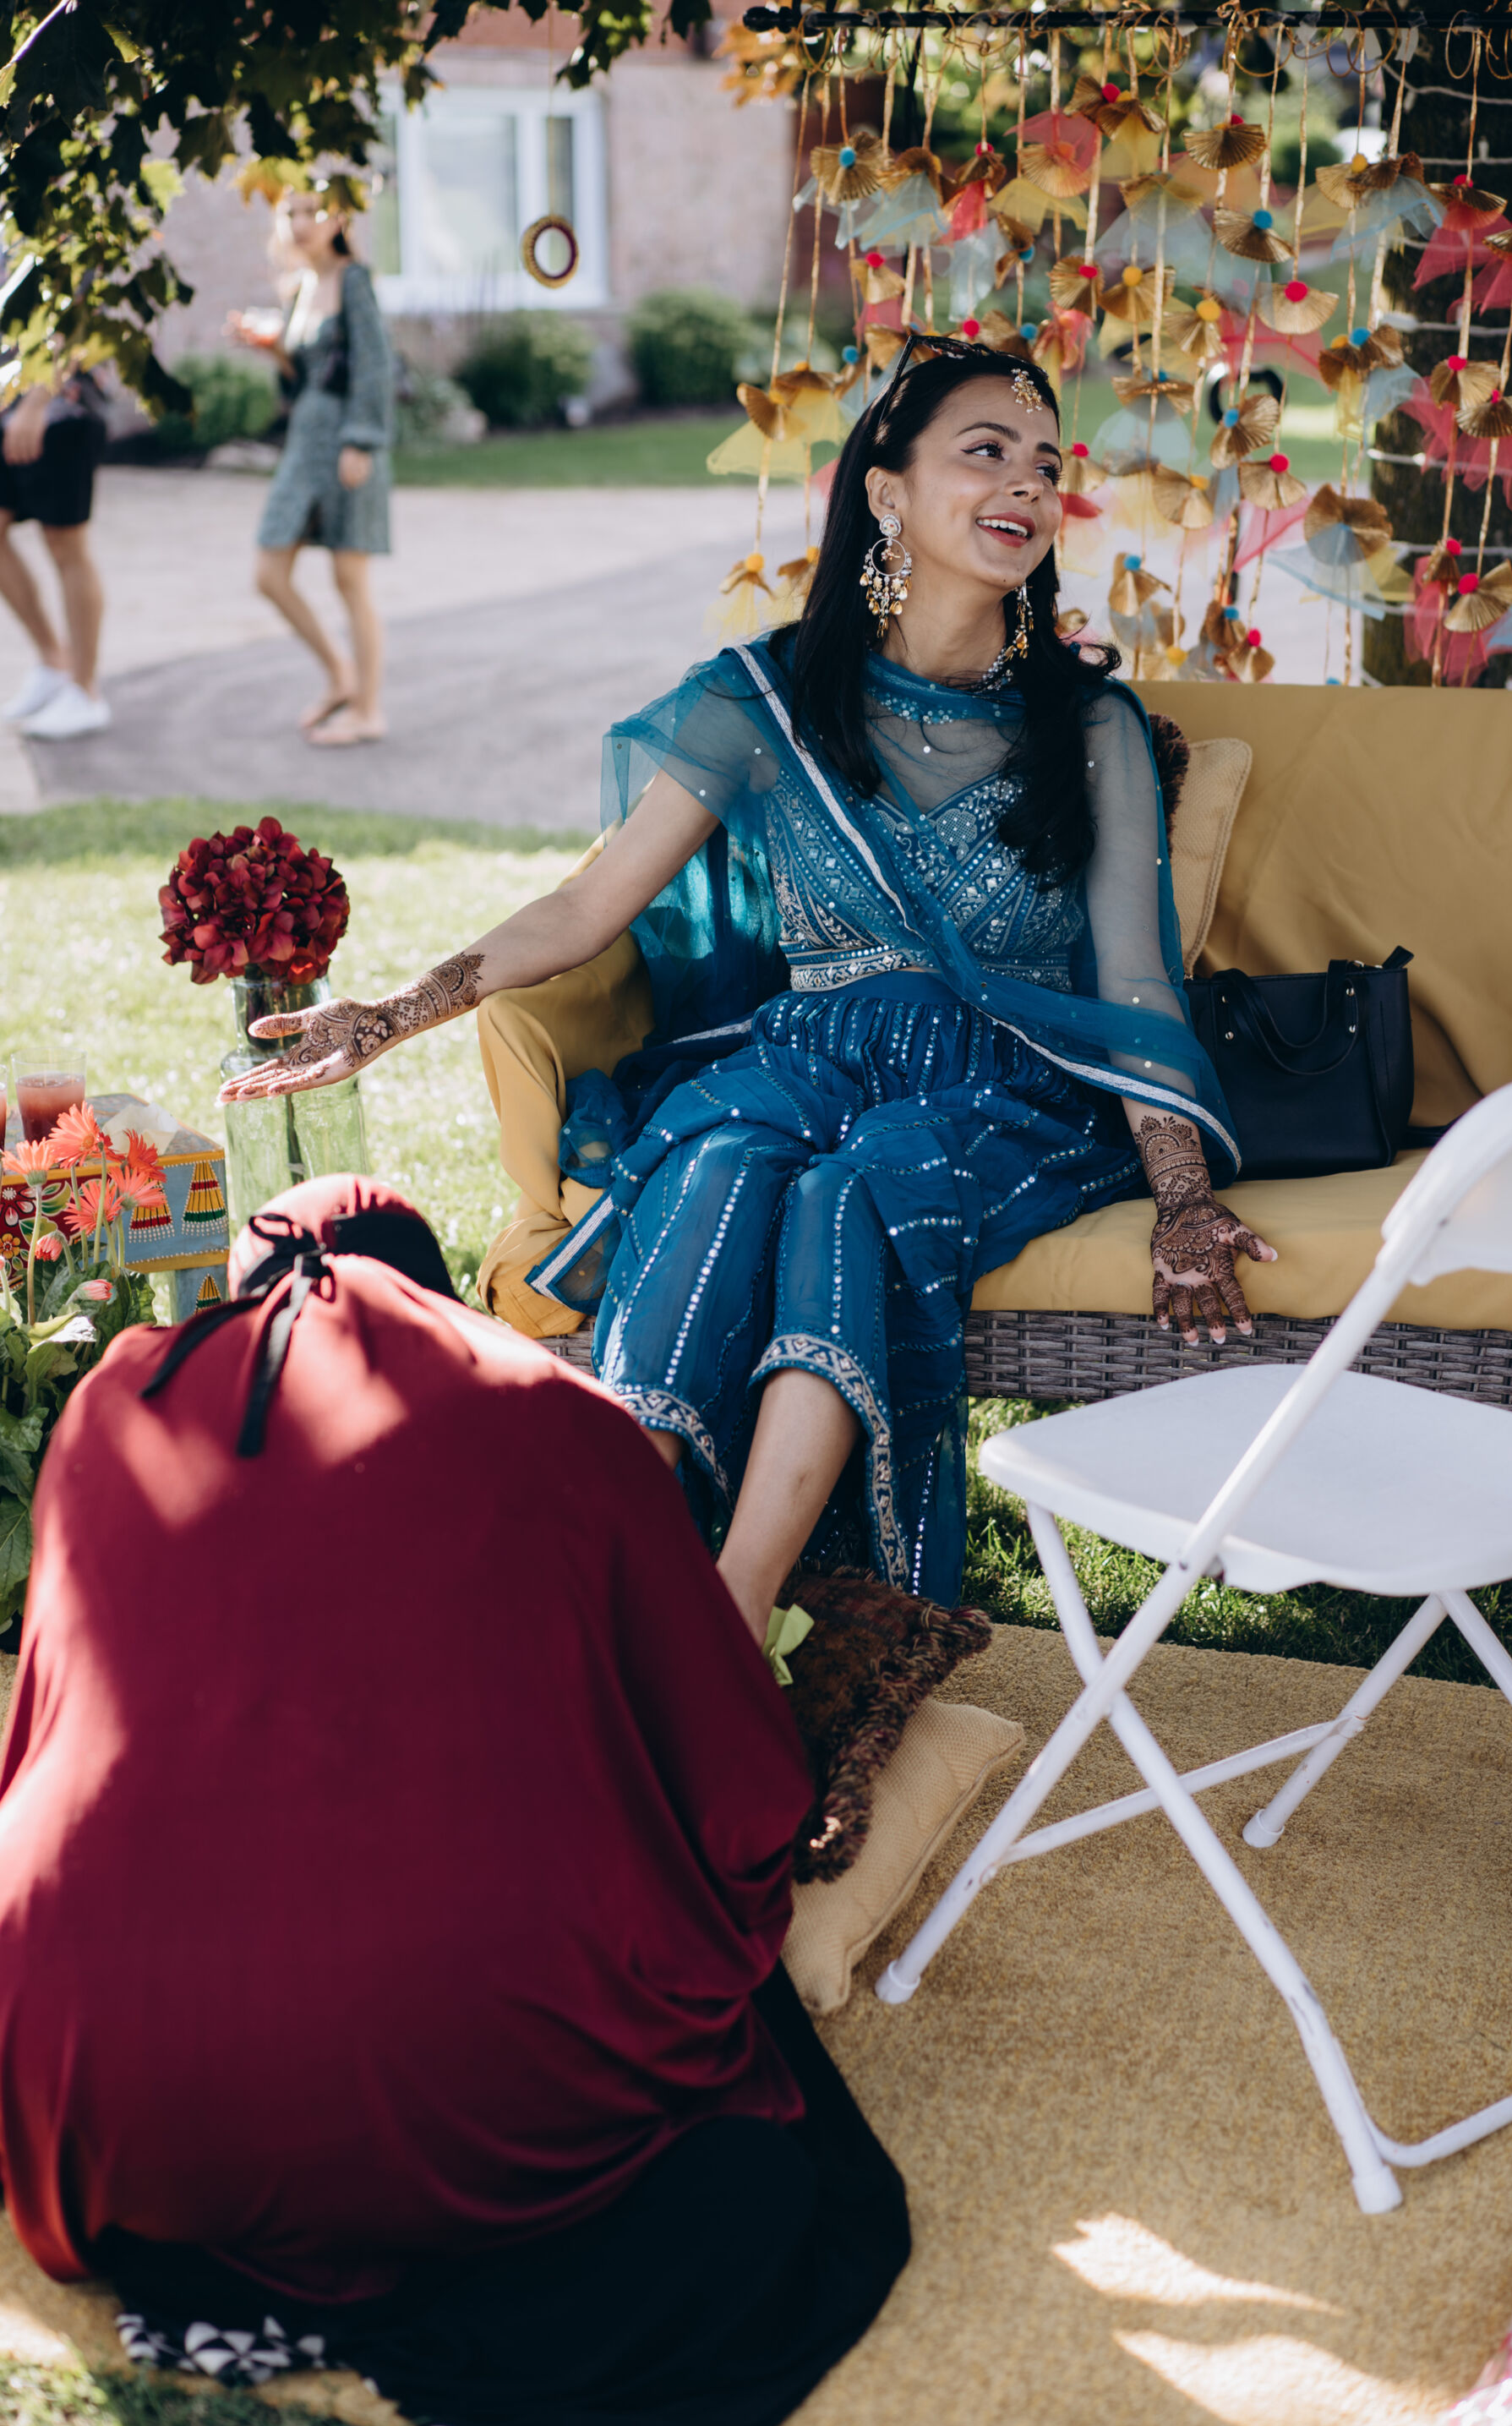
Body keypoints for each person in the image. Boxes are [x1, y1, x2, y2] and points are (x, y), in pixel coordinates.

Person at [220, 340, 1277, 1626]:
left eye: (1047, 467)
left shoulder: (1088, 725)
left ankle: (733, 1617)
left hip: (1009, 1086)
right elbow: (588, 907)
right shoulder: (769, 701)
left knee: (858, 1184)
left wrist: (1182, 1196)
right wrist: (390, 1016)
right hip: (807, 1059)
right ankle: (589, 1580)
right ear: (886, 491)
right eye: (987, 453)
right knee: (720, 1164)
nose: (1028, 487)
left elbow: (1136, 981)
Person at [0, 1173, 908, 2426]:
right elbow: (734, 1776)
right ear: (432, 1298)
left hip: (88, 2108)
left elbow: (42, 1738)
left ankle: (242, 2213)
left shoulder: (116, 1407)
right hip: (465, 2098)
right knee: (747, 2175)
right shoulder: (553, 1416)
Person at [227, 183, 393, 746]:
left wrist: (362, 441)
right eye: (290, 212)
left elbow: (374, 367)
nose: (300, 223)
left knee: (350, 580)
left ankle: (367, 710)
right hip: (305, 444)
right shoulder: (300, 287)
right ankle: (340, 674)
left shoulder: (355, 280)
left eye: (313, 211)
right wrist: (271, 348)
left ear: (339, 219)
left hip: (348, 443)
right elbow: (304, 379)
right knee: (269, 575)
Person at [0, 370, 109, 740]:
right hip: (7, 401)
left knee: (65, 542)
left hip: (60, 405)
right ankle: (53, 663)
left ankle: (85, 691)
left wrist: (37, 401)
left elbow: (77, 334)